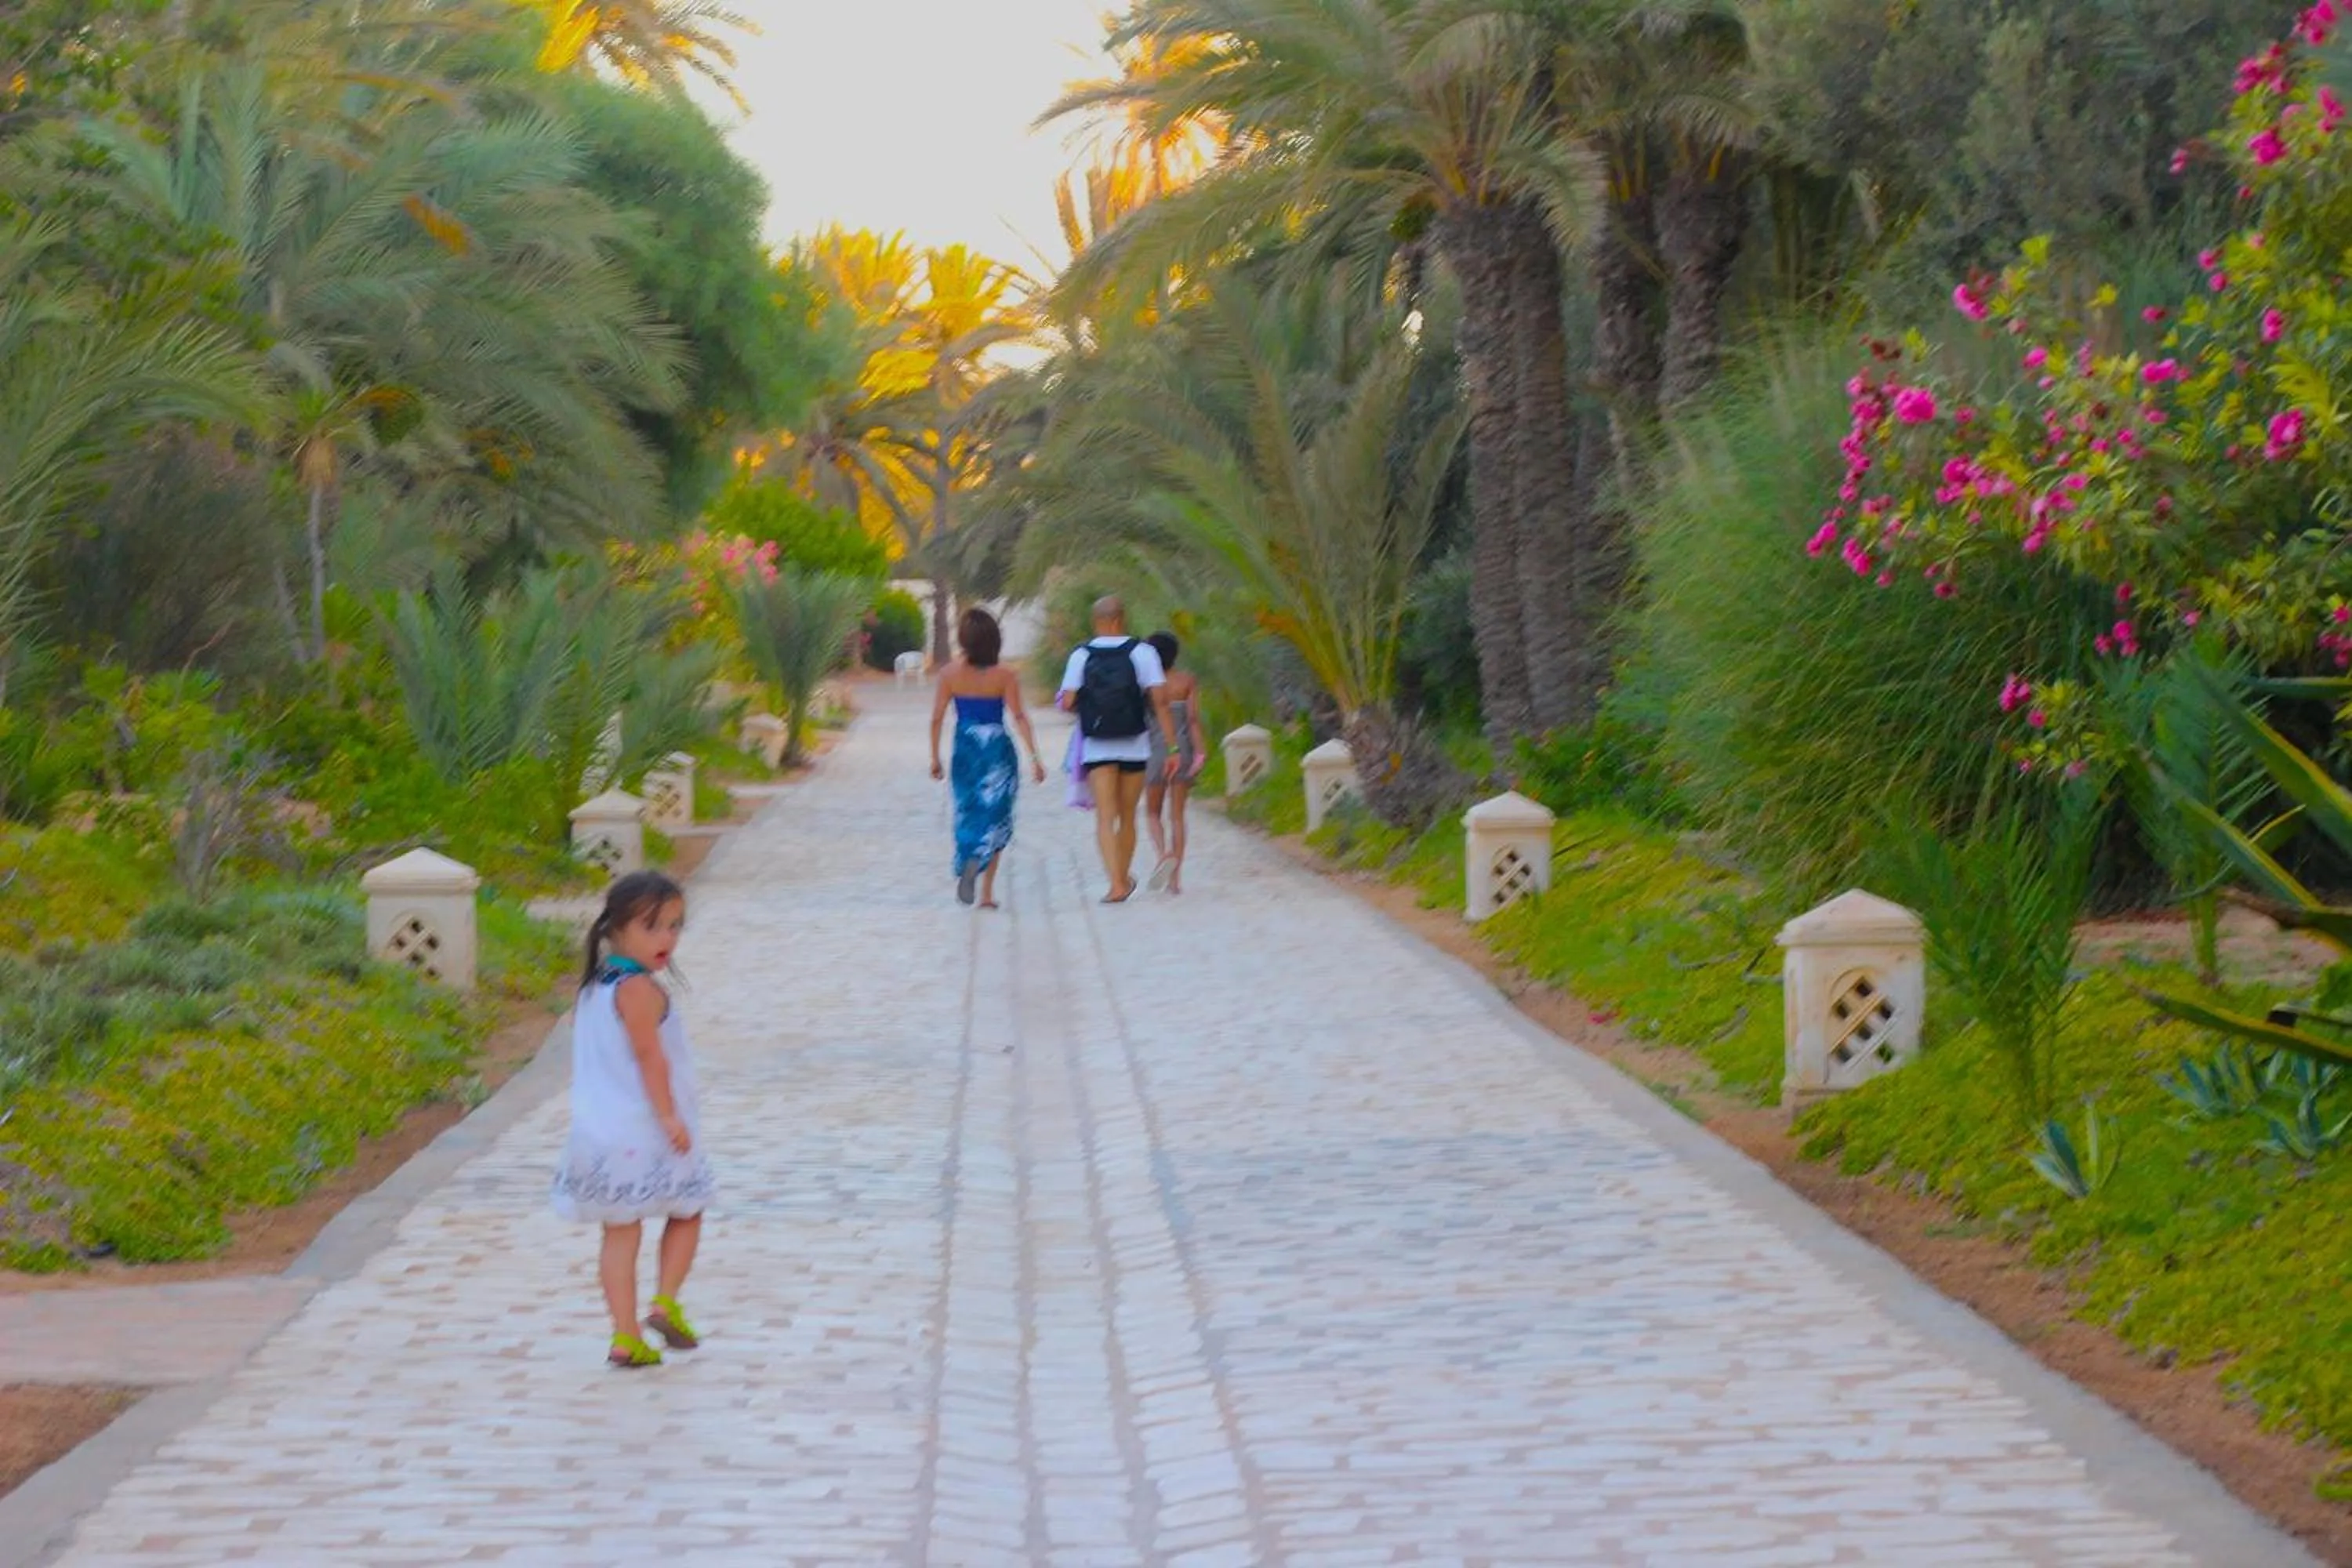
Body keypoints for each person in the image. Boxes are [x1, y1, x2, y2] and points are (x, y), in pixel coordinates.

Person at [550, 871, 714, 1369]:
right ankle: (665, 1301)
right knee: (688, 1209)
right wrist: (669, 1116)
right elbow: (650, 1057)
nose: (667, 938)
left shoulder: (593, 988)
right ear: (616, 927)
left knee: (620, 1233)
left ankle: (625, 1335)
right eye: (652, 927)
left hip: (598, 1135)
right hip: (645, 1130)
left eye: (675, 926)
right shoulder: (638, 989)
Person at [1058, 595, 1181, 902]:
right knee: (1127, 816)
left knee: (1105, 817)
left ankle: (1117, 884)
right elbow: (1160, 703)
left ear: (1097, 621)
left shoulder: (1081, 655)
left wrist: (1090, 705)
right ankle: (1122, 878)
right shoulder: (1143, 653)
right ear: (1120, 619)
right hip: (1134, 745)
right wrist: (1172, 747)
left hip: (1097, 746)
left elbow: (1068, 701)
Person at [929, 607, 1046, 908]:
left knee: (968, 810)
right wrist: (1035, 758)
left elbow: (937, 718)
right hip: (997, 751)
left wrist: (935, 758)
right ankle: (987, 893)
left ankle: (969, 860)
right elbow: (1019, 716)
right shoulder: (1005, 675)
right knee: (996, 816)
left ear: (963, 639)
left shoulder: (949, 674)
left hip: (966, 749)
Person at [1143, 630, 1208, 895]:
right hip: (1182, 751)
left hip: (1153, 751)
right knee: (1178, 816)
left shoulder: (1146, 684)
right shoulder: (1187, 681)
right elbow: (1192, 720)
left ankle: (1163, 854)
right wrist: (1201, 752)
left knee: (1152, 813)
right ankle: (1175, 880)